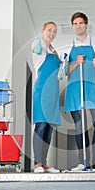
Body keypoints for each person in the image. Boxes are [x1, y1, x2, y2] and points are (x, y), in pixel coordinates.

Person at [64, 12, 95, 171]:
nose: (78, 26)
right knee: (79, 127)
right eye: (75, 23)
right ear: (72, 26)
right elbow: (64, 72)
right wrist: (75, 62)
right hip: (75, 91)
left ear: (86, 24)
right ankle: (82, 162)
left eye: (81, 23)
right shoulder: (68, 47)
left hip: (94, 88)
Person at [31, 21, 61, 173]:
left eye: (54, 31)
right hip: (42, 91)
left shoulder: (53, 51)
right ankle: (37, 163)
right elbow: (36, 50)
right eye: (49, 30)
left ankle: (44, 163)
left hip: (53, 92)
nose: (52, 33)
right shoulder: (39, 44)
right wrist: (37, 45)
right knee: (41, 126)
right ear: (43, 31)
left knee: (49, 128)